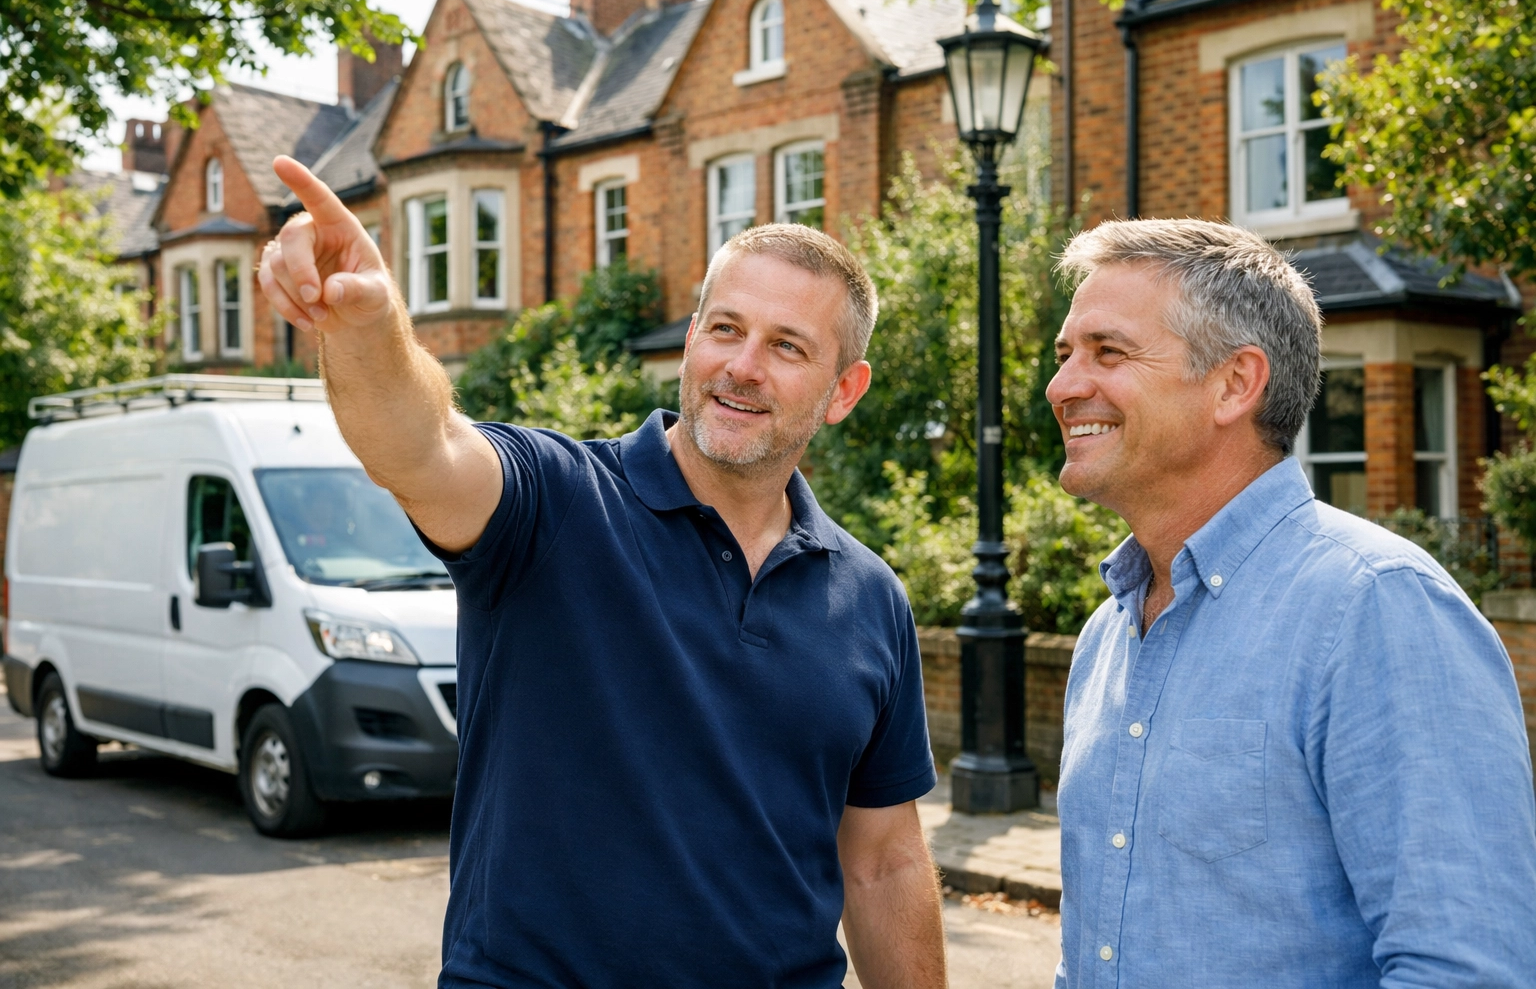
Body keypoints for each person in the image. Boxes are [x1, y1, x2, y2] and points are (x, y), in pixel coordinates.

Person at [257, 155, 944, 988]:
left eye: (787, 346)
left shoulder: (869, 597)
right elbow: (421, 445)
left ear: (843, 390)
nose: (742, 365)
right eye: (724, 329)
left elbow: (884, 861)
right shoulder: (554, 503)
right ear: (691, 342)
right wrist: (367, 328)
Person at [1045, 218, 1536, 988]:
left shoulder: (1378, 610)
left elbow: (1465, 969)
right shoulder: (1106, 634)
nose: (1064, 385)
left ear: (1235, 383)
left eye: (1108, 352)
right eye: (1065, 355)